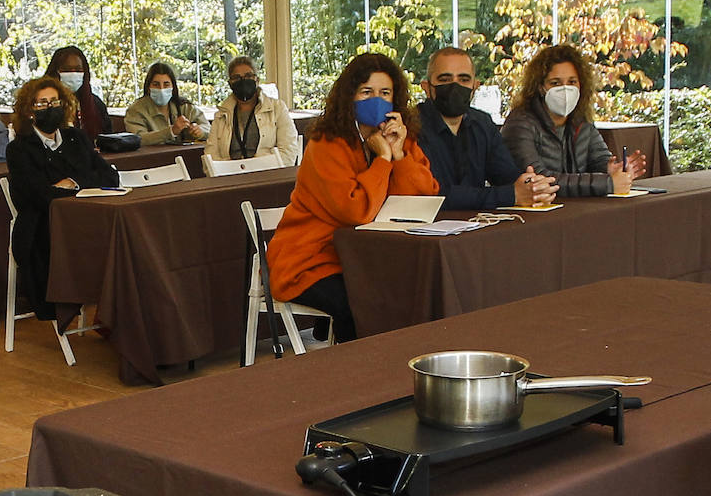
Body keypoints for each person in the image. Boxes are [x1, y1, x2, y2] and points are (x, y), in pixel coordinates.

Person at [266, 53, 438, 342]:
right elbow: (355, 211)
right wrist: (383, 160)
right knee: (363, 303)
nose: (377, 100)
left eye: (385, 93)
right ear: (350, 96)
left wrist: (399, 154)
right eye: (367, 92)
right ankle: (353, 379)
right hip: (310, 259)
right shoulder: (327, 143)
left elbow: (423, 197)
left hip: (369, 258)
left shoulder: (398, 134)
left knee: (408, 293)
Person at [5, 76, 119, 321]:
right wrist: (83, 181)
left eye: (54, 102)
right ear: (29, 111)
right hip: (43, 227)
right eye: (41, 103)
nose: (50, 108)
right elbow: (36, 196)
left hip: (86, 219)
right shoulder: (20, 149)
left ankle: (113, 308)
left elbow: (109, 177)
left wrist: (73, 182)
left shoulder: (76, 138)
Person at [416, 47, 556, 210]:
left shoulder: (482, 123)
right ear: (426, 87)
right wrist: (509, 195)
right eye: (445, 79)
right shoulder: (412, 127)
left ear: (475, 86)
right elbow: (435, 195)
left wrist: (532, 186)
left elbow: (506, 176)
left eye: (464, 79)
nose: (455, 86)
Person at [500, 44, 644, 198]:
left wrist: (612, 168)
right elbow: (539, 181)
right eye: (555, 83)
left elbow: (599, 158)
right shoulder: (520, 123)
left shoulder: (581, 119)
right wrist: (607, 184)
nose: (565, 89)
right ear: (541, 87)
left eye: (572, 82)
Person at [206, 57, 297, 165]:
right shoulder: (221, 115)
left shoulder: (277, 109)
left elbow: (288, 151)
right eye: (236, 77)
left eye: (248, 76)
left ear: (257, 80)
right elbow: (210, 156)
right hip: (231, 176)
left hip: (268, 175)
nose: (243, 81)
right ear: (230, 83)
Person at [124, 62, 209, 146]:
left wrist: (200, 131)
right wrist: (171, 131)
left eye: (166, 84)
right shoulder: (136, 110)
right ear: (148, 87)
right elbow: (138, 139)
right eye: (156, 84)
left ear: (173, 87)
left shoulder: (184, 106)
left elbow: (210, 129)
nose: (161, 89)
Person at [44, 46, 113, 139]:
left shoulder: (96, 104)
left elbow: (108, 137)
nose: (73, 74)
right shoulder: (43, 105)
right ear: (56, 72)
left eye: (78, 70)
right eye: (67, 70)